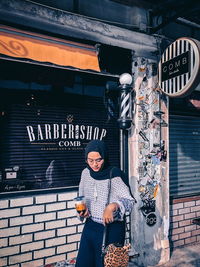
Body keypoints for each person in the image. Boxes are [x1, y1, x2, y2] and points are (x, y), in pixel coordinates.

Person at [75, 140, 135, 267]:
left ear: (105, 157)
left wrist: (113, 205)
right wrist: (82, 210)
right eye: (90, 160)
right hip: (90, 227)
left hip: (111, 230)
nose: (95, 164)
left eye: (98, 160)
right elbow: (81, 197)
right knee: (83, 263)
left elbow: (130, 201)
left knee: (105, 264)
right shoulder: (85, 173)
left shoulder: (115, 174)